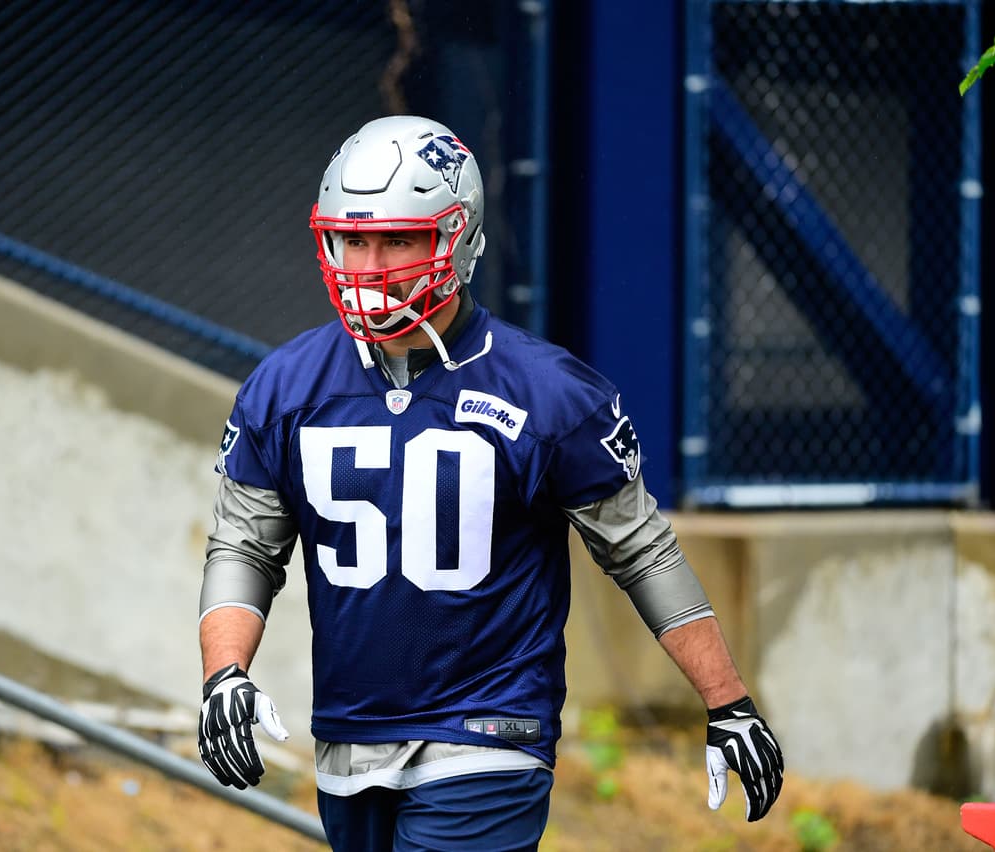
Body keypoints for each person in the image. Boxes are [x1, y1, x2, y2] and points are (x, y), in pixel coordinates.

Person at [196, 115, 783, 850]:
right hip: (350, 739)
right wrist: (225, 674)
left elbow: (642, 552)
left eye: (398, 239)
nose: (369, 263)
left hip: (488, 736)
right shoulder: (283, 388)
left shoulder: (549, 393)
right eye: (355, 237)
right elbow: (245, 548)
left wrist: (727, 700)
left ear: (458, 237)